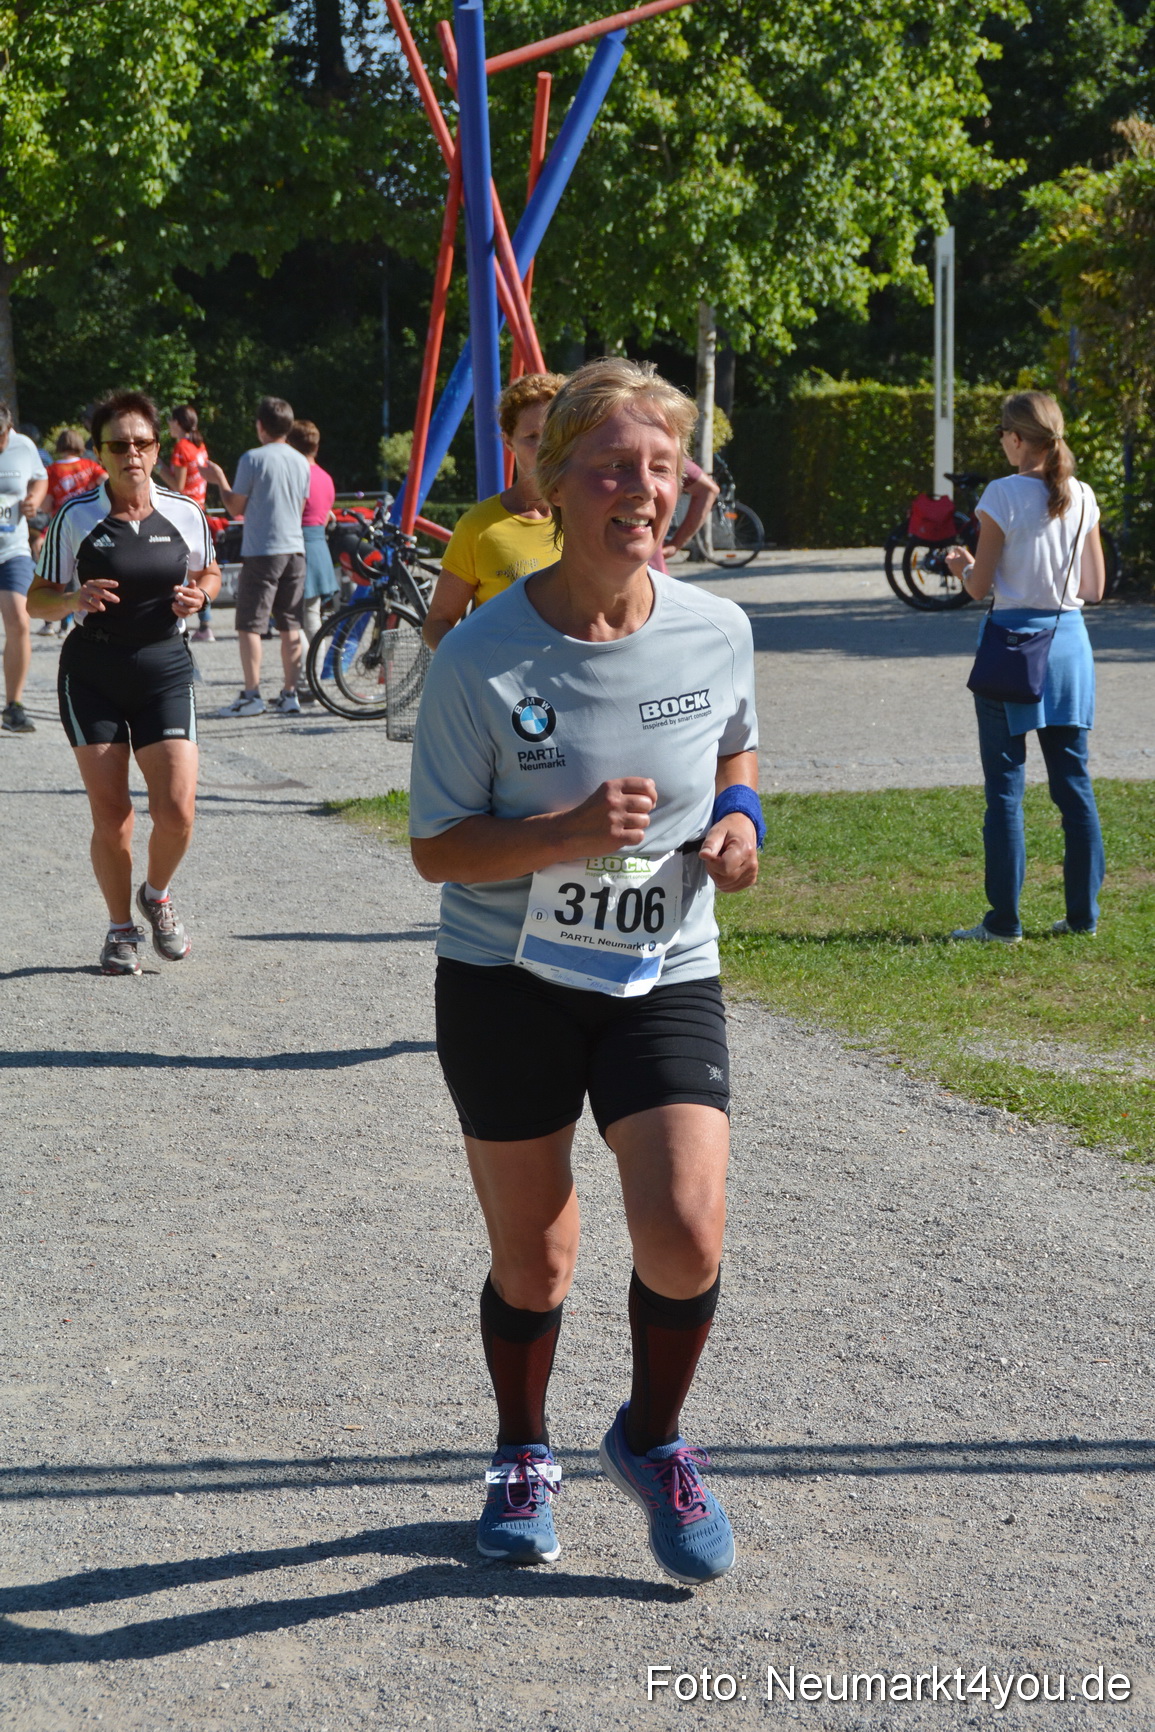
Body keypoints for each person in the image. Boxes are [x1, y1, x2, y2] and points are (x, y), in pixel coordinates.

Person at [408, 358, 761, 1584]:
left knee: (684, 1230)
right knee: (538, 1256)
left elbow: (737, 745)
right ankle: (521, 1448)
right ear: (553, 486)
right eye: (613, 467)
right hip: (506, 976)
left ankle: (652, 1439)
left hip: (663, 961)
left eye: (660, 468)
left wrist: (740, 823)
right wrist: (561, 835)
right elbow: (433, 851)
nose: (641, 490)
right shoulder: (481, 658)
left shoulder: (717, 625)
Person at [26, 390, 220, 975]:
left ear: (156, 449)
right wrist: (71, 598)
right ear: (102, 454)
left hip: (165, 667)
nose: (131, 453)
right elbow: (37, 601)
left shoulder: (185, 509)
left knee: (178, 811)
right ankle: (118, 930)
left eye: (141, 443)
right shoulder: (75, 515)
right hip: (93, 674)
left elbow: (208, 568)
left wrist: (202, 594)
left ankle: (156, 895)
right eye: (118, 444)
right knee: (113, 815)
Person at [945, 390, 1106, 942]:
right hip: (1069, 647)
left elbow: (979, 587)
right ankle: (1083, 917)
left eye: (1001, 434)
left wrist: (963, 565)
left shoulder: (1001, 494)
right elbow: (1095, 587)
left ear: (1016, 439)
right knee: (1074, 787)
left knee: (1006, 791)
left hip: (1014, 648)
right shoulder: (1082, 495)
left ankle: (1004, 922)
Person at [422, 372, 567, 650]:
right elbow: (437, 623)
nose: (544, 448)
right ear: (508, 441)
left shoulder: (589, 516)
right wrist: (472, 670)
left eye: (553, 434)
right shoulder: (478, 527)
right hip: (507, 689)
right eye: (531, 437)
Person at [205, 396, 310, 717]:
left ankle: (252, 695)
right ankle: (289, 693)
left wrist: (219, 480)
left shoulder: (252, 458)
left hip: (263, 549)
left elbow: (236, 508)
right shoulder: (301, 461)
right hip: (295, 549)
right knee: (290, 623)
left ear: (260, 426)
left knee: (250, 624)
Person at [0, 404, 49, 732]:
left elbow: (41, 479)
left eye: (1, 437)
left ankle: (13, 706)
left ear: (10, 427)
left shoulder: (24, 447)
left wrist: (33, 498)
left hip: (12, 551)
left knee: (19, 621)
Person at [159, 405, 215, 643]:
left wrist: (159, 467)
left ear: (179, 423)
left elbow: (178, 486)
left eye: (171, 420)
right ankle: (205, 624)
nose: (169, 425)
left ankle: (175, 619)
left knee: (178, 567)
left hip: (183, 512)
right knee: (201, 567)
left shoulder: (182, 447)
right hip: (200, 509)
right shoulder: (199, 446)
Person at [286, 419, 338, 649]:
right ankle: (314, 672)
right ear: (316, 446)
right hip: (319, 546)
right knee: (312, 613)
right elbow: (325, 514)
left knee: (297, 620)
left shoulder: (297, 475)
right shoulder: (326, 478)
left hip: (299, 546)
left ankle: (307, 675)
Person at [654, 455, 721, 570]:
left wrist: (675, 545)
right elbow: (707, 490)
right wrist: (675, 545)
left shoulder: (661, 447)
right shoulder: (660, 446)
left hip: (648, 573)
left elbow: (708, 490)